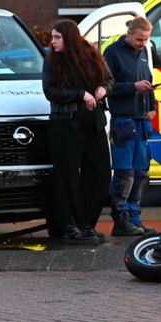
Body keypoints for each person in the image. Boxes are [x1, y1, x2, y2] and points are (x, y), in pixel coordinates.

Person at [42, 20, 114, 245]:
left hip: (93, 121)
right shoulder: (53, 60)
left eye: (57, 37)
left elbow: (110, 80)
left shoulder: (92, 54)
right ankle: (69, 224)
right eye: (52, 37)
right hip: (66, 122)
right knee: (68, 176)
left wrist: (104, 88)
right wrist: (79, 94)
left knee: (100, 173)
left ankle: (86, 224)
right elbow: (50, 91)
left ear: (70, 38)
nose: (52, 42)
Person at [103, 16, 158, 237]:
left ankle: (135, 217)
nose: (142, 43)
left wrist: (152, 105)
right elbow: (108, 86)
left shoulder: (144, 52)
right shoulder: (113, 53)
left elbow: (148, 77)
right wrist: (133, 87)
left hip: (141, 119)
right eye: (139, 39)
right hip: (123, 120)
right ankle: (121, 219)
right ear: (129, 34)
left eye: (145, 40)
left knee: (140, 171)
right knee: (125, 172)